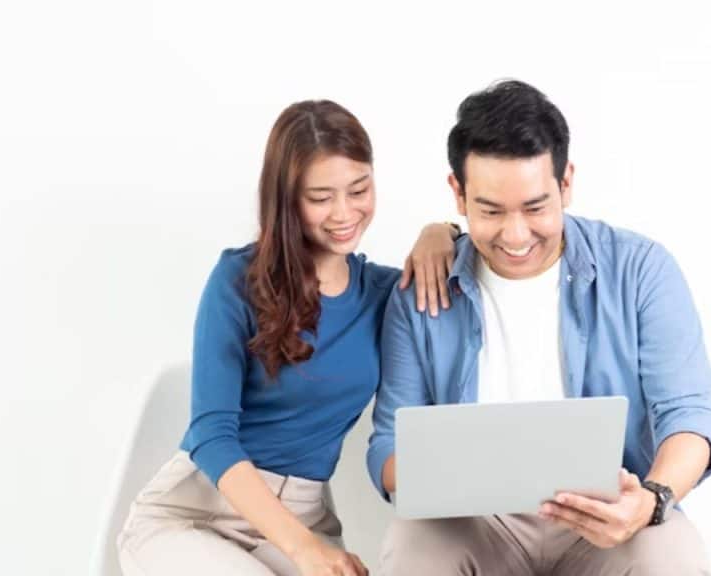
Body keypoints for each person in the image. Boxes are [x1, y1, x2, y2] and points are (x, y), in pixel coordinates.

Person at [368, 79, 711, 575]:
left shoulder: (640, 270)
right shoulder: (423, 289)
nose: (516, 235)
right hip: (474, 521)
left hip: (608, 508)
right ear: (458, 193)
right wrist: (440, 477)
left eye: (535, 208)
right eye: (490, 211)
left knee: (671, 555)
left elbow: (690, 415)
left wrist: (650, 500)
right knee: (413, 544)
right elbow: (388, 444)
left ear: (566, 183)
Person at [117, 99, 459, 576]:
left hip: (307, 517)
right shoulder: (237, 279)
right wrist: (304, 551)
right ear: (287, 199)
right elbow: (211, 436)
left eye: (359, 189)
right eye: (320, 198)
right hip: (195, 513)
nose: (345, 212)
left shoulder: (385, 294)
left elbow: (477, 262)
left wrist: (440, 230)